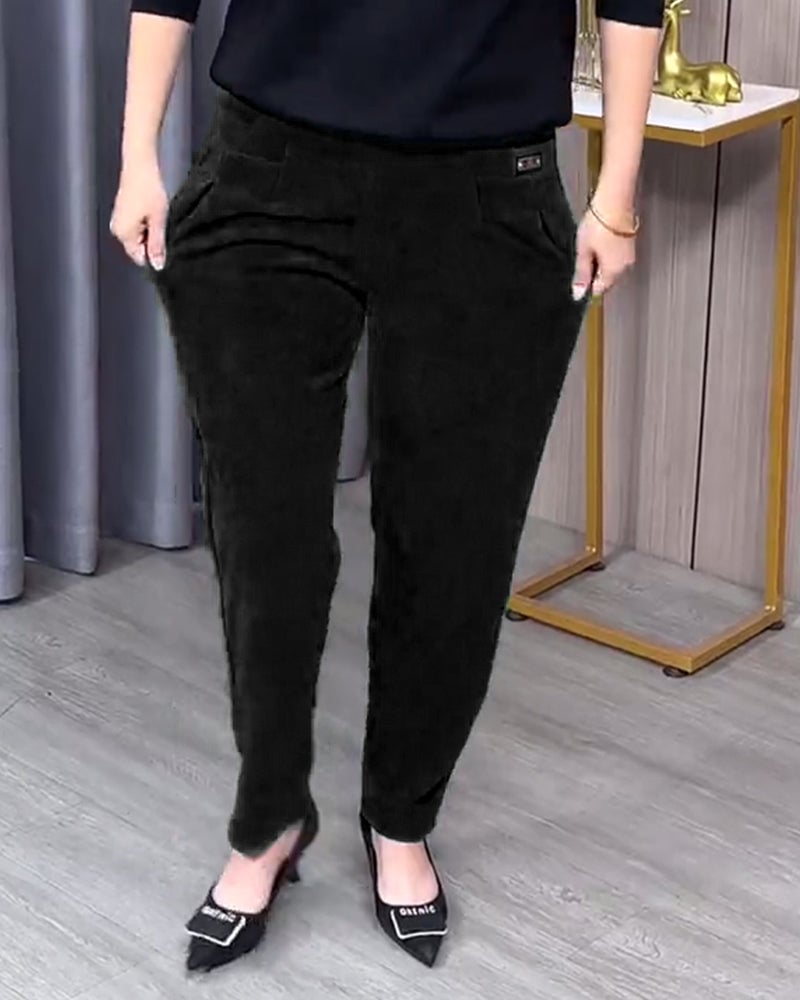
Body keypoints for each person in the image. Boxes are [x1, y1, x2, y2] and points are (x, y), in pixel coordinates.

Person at [111, 0, 662, 974]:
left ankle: (400, 817)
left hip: (485, 185)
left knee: (453, 540)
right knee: (263, 532)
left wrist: (616, 192)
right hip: (267, 171)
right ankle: (269, 818)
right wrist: (136, 155)